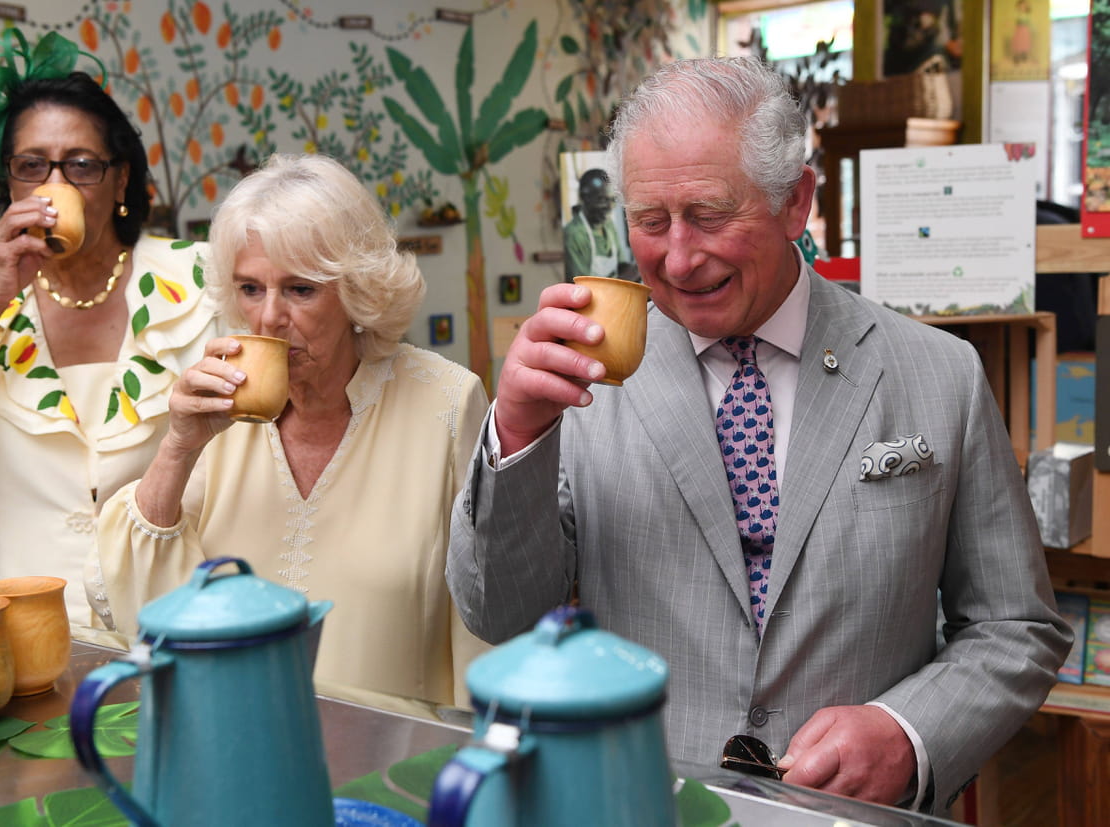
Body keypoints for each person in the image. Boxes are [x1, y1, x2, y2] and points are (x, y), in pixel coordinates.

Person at [446, 56, 1071, 813]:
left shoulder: (940, 374)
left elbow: (1015, 625)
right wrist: (515, 430)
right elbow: (499, 612)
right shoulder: (586, 380)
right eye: (650, 221)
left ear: (795, 202)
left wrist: (908, 734)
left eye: (710, 215)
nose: (679, 258)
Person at [93, 153, 489, 711]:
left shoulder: (448, 401)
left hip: (395, 752)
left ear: (358, 291)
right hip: (239, 735)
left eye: (301, 289)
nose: (269, 318)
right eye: (250, 288)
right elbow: (129, 600)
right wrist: (179, 446)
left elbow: (482, 623)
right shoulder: (217, 410)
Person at [0, 32, 223, 626]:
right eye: (31, 165)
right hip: (30, 631)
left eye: (81, 164)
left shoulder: (202, 278)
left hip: (185, 618)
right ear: (9, 183)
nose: (53, 184)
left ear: (120, 180)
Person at [563, 167, 633, 281]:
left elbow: (621, 265)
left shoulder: (608, 225)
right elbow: (580, 284)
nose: (610, 207)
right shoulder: (574, 235)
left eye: (612, 200)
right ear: (584, 198)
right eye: (602, 200)